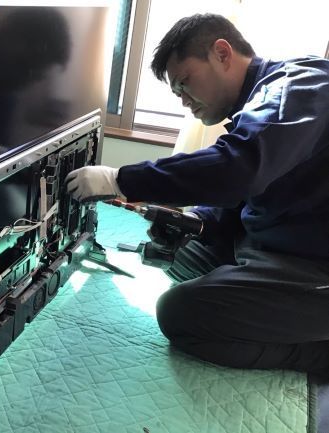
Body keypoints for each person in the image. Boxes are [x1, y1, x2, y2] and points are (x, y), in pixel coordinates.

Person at [65, 13, 329, 374]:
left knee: (179, 314)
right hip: (277, 244)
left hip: (314, 266)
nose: (184, 101)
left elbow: (237, 171)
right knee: (179, 252)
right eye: (177, 93)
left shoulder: (300, 85)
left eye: (185, 82)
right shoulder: (257, 106)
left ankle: (319, 352)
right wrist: (195, 221)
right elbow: (247, 196)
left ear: (222, 53)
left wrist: (120, 180)